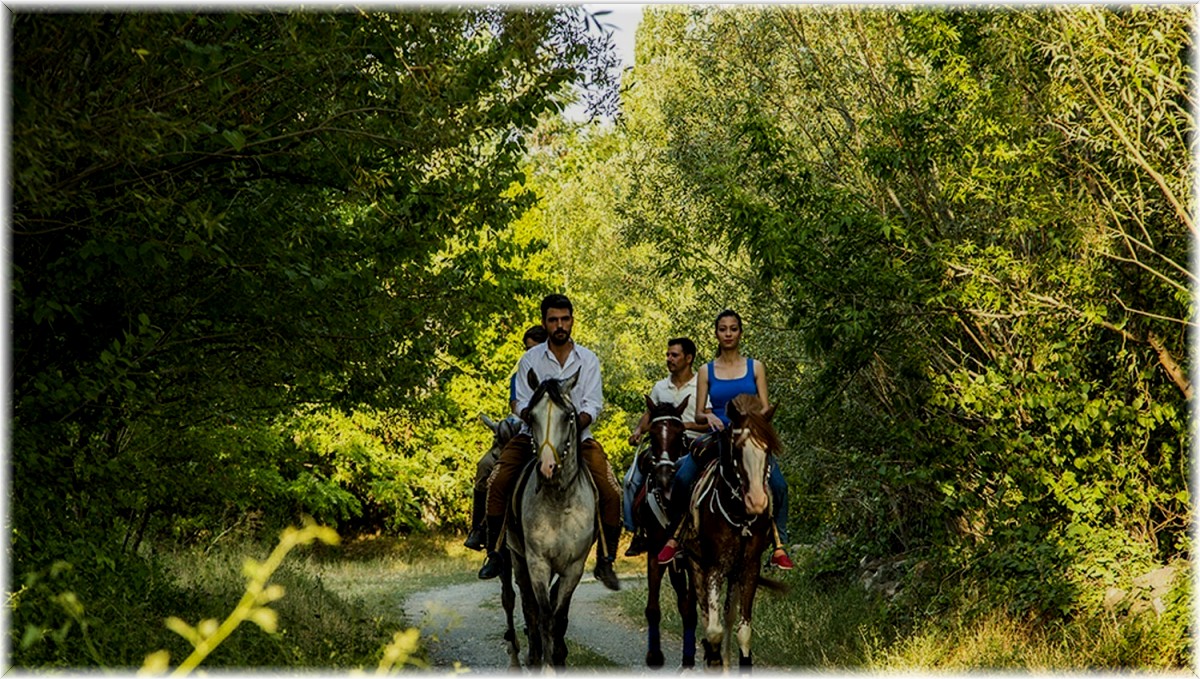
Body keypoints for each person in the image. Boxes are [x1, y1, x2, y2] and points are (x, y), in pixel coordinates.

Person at [478, 294, 624, 590]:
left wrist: (571, 425)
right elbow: (517, 402)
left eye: (565, 319)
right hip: (531, 437)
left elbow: (594, 404)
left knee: (611, 489)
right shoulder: (530, 360)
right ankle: (493, 551)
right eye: (553, 320)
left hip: (579, 439)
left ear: (572, 321)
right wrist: (532, 417)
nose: (560, 325)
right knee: (497, 479)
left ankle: (606, 559)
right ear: (545, 322)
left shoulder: (588, 359)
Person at [655, 309, 794, 570]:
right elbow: (698, 411)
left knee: (779, 485)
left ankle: (779, 544)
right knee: (683, 478)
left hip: (748, 437)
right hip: (718, 435)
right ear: (716, 334)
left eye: (733, 328)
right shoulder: (707, 370)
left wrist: (750, 420)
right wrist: (709, 417)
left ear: (740, 332)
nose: (728, 333)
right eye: (723, 329)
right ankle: (676, 537)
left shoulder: (756, 367)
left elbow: (765, 407)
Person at [464, 325, 549, 551]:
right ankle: (482, 531)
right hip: (525, 434)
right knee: (486, 467)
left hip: (558, 437)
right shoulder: (517, 377)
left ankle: (602, 540)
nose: (529, 354)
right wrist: (513, 422)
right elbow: (516, 406)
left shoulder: (562, 373)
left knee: (599, 476)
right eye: (527, 349)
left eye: (535, 348)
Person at [621, 337, 708, 556]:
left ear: (688, 358)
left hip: (693, 442)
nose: (669, 359)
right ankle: (636, 532)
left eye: (674, 355)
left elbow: (709, 420)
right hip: (661, 444)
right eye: (668, 354)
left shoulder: (701, 385)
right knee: (630, 481)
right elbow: (649, 414)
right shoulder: (660, 387)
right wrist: (639, 431)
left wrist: (681, 425)